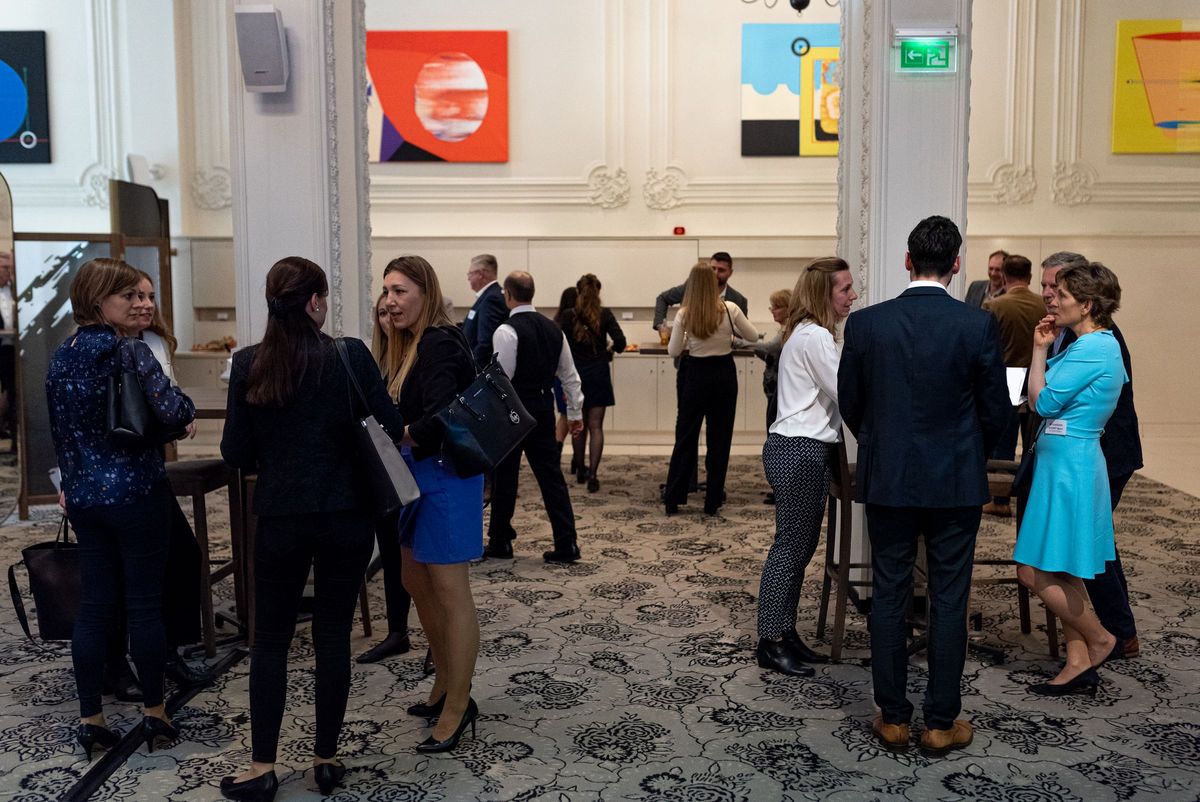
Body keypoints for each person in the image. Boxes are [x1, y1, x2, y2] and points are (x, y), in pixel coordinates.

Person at [220, 257, 405, 800]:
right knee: (332, 635)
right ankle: (325, 758)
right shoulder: (349, 355)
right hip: (348, 516)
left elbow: (235, 452)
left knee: (270, 641)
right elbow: (392, 426)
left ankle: (262, 766)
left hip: (281, 518)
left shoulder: (248, 363)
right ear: (316, 302)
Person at [838, 216, 1009, 756]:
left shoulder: (866, 324)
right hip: (955, 481)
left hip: (888, 478)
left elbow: (851, 403)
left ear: (907, 260)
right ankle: (939, 722)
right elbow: (995, 411)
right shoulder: (976, 325)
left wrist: (881, 442)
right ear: (956, 264)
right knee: (950, 596)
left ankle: (892, 717)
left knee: (889, 592)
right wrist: (972, 452)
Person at [46, 258, 196, 761]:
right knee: (144, 607)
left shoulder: (61, 355)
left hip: (84, 499)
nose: (141, 304)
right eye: (128, 296)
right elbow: (174, 411)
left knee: (94, 608)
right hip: (135, 494)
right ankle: (155, 713)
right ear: (97, 300)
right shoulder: (128, 351)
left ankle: (91, 720)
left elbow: (62, 432)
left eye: (143, 296)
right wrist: (181, 413)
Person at [378, 255, 485, 752]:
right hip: (417, 474)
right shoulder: (410, 344)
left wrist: (399, 433)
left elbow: (442, 416)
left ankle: (459, 704)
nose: (390, 301)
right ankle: (444, 682)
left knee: (449, 589)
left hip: (445, 476)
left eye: (400, 291)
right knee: (414, 579)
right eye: (386, 291)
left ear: (426, 292)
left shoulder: (440, 341)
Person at [1014, 262, 1127, 696]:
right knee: (1064, 569)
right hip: (1066, 465)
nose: (1052, 300)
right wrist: (1042, 348)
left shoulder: (1094, 348)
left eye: (1062, 295)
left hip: (1070, 470)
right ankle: (1078, 662)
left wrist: (1038, 352)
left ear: (1087, 305)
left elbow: (1041, 403)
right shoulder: (1092, 344)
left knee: (1031, 572)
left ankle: (1100, 639)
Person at [1040, 252, 1143, 661]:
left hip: (1102, 453)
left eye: (1056, 288)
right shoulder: (1067, 331)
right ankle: (1096, 639)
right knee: (1088, 546)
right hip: (1075, 454)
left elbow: (1052, 401)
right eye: (1045, 286)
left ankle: (1115, 633)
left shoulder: (1099, 339)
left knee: (1092, 547)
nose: (1049, 294)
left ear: (1084, 300)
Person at [756, 259, 856, 676]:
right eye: (844, 289)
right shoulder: (815, 336)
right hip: (800, 449)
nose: (852, 296)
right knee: (789, 550)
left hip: (800, 448)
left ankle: (785, 631)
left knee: (798, 549)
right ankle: (770, 640)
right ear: (822, 293)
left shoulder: (807, 333)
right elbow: (845, 392)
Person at [483, 271, 585, 563]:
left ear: (508, 294)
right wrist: (575, 413)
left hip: (514, 410)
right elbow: (570, 376)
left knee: (505, 476)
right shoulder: (555, 330)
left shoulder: (506, 331)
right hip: (543, 408)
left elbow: (502, 379)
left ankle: (500, 540)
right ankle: (567, 542)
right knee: (551, 477)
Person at [664, 263, 758, 516]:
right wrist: (730, 338)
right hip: (723, 375)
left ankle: (674, 498)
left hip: (695, 375)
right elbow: (753, 336)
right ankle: (712, 500)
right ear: (714, 283)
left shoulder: (685, 313)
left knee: (686, 437)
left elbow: (673, 351)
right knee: (720, 440)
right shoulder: (730, 308)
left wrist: (688, 340)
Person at [356, 292, 415, 665]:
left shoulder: (418, 358)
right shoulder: (373, 362)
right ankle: (398, 631)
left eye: (391, 310)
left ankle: (435, 637)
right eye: (380, 312)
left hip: (416, 462)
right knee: (392, 551)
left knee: (422, 558)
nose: (387, 317)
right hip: (381, 466)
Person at [981, 254, 1046, 517]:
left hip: (1006, 380)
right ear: (1029, 277)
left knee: (1003, 444)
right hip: (1038, 379)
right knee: (1034, 442)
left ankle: (1000, 500)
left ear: (1005, 276)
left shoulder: (994, 306)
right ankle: (1033, 498)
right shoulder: (1044, 305)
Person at [559, 273, 627, 492]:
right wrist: (609, 352)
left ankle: (580, 469)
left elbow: (560, 345)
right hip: (599, 374)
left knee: (578, 424)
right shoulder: (605, 314)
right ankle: (593, 476)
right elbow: (621, 342)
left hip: (575, 377)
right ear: (598, 292)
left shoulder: (568, 315)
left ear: (578, 292)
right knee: (596, 426)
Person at [747, 289, 791, 505]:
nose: (773, 311)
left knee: (776, 441)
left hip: (777, 393)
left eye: (776, 307)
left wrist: (742, 343)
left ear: (788, 308)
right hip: (774, 391)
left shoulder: (787, 331)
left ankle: (781, 487)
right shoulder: (785, 330)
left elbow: (770, 348)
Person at [652, 251, 749, 331]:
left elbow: (742, 333)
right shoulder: (691, 287)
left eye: (721, 270)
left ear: (730, 273)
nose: (715, 273)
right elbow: (662, 298)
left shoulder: (739, 301)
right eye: (712, 269)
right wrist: (661, 326)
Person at [462, 254, 508, 367]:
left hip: (479, 368)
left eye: (470, 273)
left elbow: (485, 342)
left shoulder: (492, 299)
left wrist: (473, 369)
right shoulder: (488, 296)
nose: (468, 278)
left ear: (480, 274)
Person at [551, 286, 579, 468]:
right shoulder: (574, 322)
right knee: (570, 416)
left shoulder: (556, 323)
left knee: (564, 415)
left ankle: (562, 453)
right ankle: (564, 454)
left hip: (558, 376)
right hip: (569, 376)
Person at [0, 250, 15, 440]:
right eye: (4, 267)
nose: (7, 271)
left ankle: (13, 434)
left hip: (11, 348)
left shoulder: (15, 290)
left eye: (8, 268)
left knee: (11, 389)